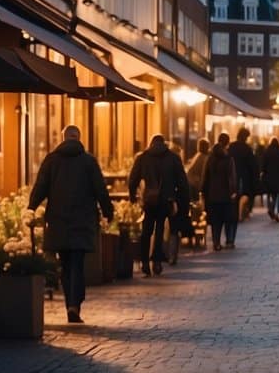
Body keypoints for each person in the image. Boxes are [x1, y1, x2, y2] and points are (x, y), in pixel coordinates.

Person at [29, 125, 113, 324]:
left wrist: (31, 207)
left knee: (65, 264)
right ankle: (75, 303)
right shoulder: (88, 161)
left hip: (58, 220)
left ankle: (71, 304)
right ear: (79, 138)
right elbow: (100, 189)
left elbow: (40, 186)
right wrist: (108, 211)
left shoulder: (51, 160)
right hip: (82, 220)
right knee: (77, 262)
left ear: (64, 138)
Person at [128, 134, 189, 277]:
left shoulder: (143, 157)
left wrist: (132, 196)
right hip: (166, 200)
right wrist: (183, 202)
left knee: (146, 231)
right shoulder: (173, 158)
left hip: (149, 200)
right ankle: (156, 261)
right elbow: (182, 183)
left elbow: (133, 179)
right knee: (160, 230)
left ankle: (144, 263)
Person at [201, 132, 238, 250]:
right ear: (227, 143)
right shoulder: (228, 159)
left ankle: (216, 242)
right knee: (228, 218)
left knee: (216, 220)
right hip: (226, 194)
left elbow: (205, 177)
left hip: (212, 194)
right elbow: (232, 178)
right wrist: (233, 191)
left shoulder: (210, 158)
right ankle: (229, 241)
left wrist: (203, 192)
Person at [228, 128, 258, 222]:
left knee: (234, 195)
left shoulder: (231, 146)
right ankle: (241, 214)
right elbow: (252, 164)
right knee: (243, 195)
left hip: (232, 175)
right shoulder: (247, 148)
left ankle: (234, 213)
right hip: (244, 177)